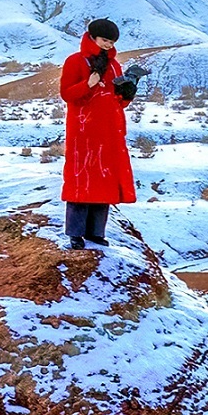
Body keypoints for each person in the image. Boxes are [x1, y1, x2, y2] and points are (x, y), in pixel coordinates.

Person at [59, 18, 143, 249]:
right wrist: (88, 83)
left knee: (104, 180)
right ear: (93, 37)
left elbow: (118, 101)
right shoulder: (75, 61)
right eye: (105, 40)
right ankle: (75, 234)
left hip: (109, 131)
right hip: (84, 131)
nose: (108, 45)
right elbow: (67, 94)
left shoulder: (115, 65)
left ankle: (96, 233)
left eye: (112, 41)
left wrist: (127, 93)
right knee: (81, 179)